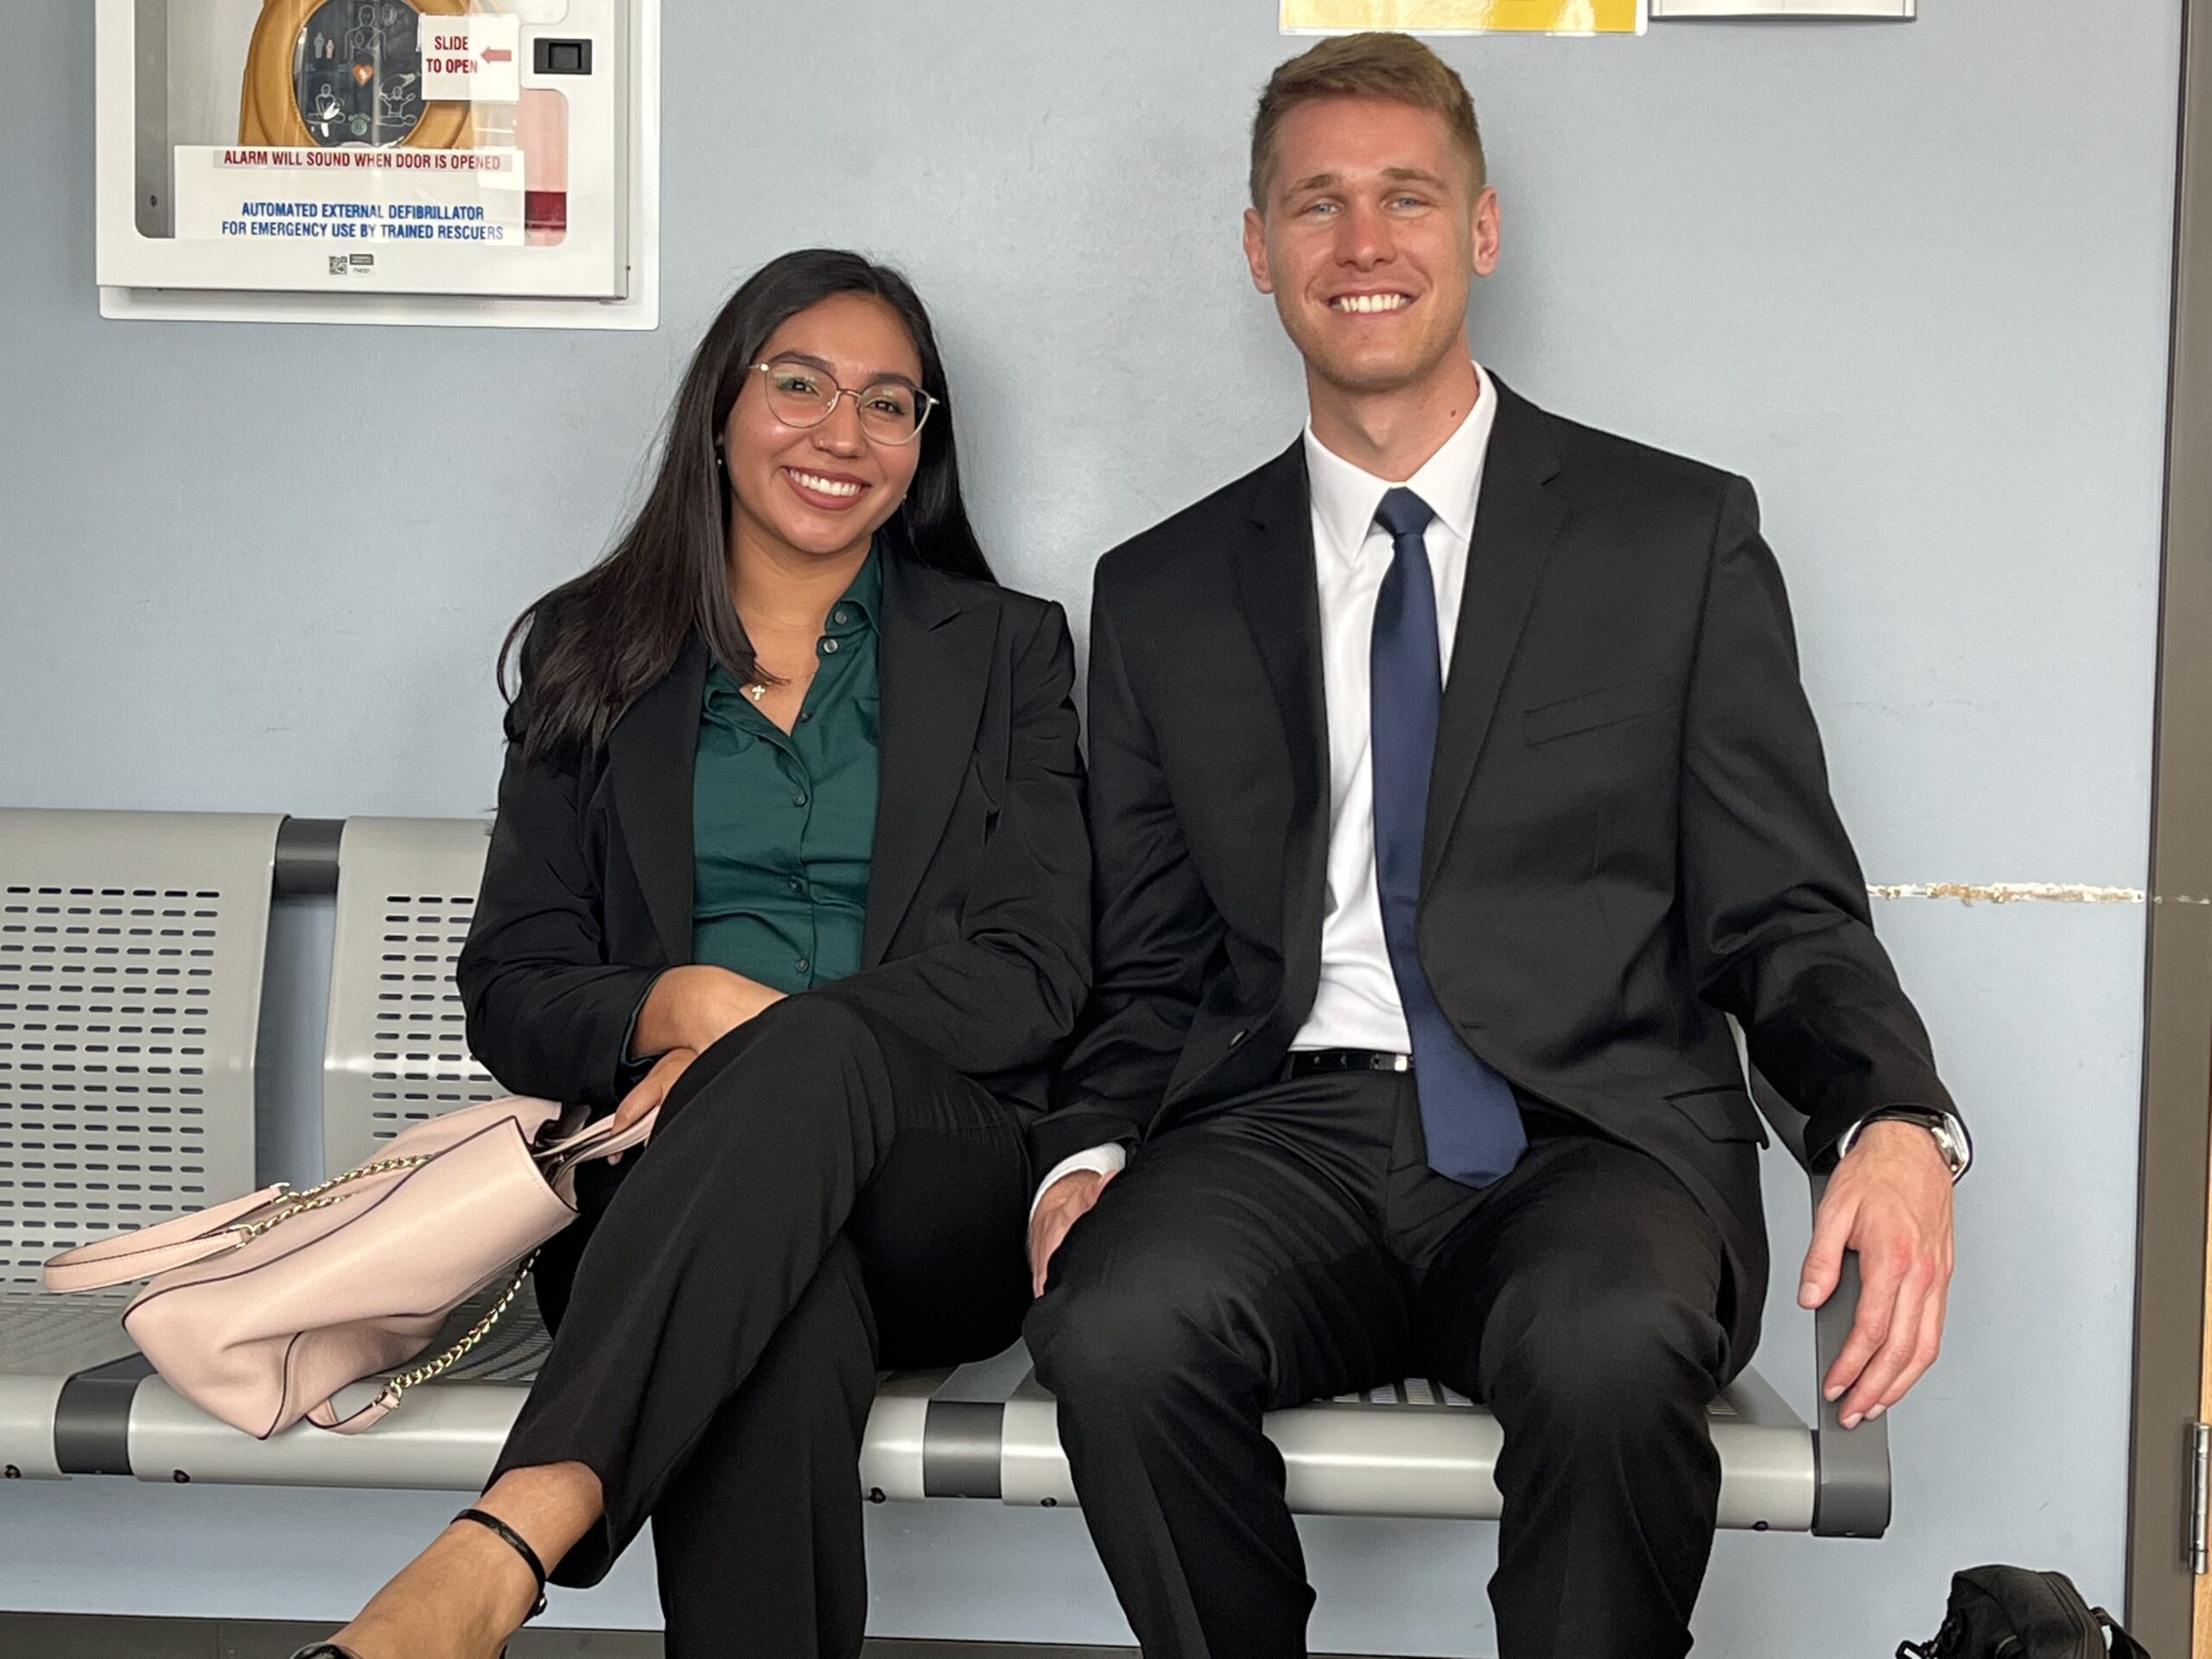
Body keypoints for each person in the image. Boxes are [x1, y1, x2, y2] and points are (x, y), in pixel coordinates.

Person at [1024, 34, 1968, 1659]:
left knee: (1609, 1348)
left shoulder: (1674, 539)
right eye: (1315, 205)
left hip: (1588, 1139)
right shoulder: (1166, 591)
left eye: (1407, 196)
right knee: (1111, 1326)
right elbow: (1153, 966)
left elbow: (1784, 907)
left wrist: (1887, 1117)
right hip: (1286, 1139)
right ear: (1258, 250)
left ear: (1483, 230)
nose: (1362, 242)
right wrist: (1085, 1155)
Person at [296, 249, 1090, 1659]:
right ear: (721, 406)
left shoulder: (1010, 653)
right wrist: (676, 1001)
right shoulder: (589, 655)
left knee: (819, 1062)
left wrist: (757, 1038)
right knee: (778, 1320)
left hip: (939, 1190)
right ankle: (487, 1571)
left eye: (891, 403)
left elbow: (1035, 969)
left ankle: (501, 1548)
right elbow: (516, 983)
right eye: (800, 384)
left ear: (924, 445)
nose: (843, 433)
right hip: (658, 1204)